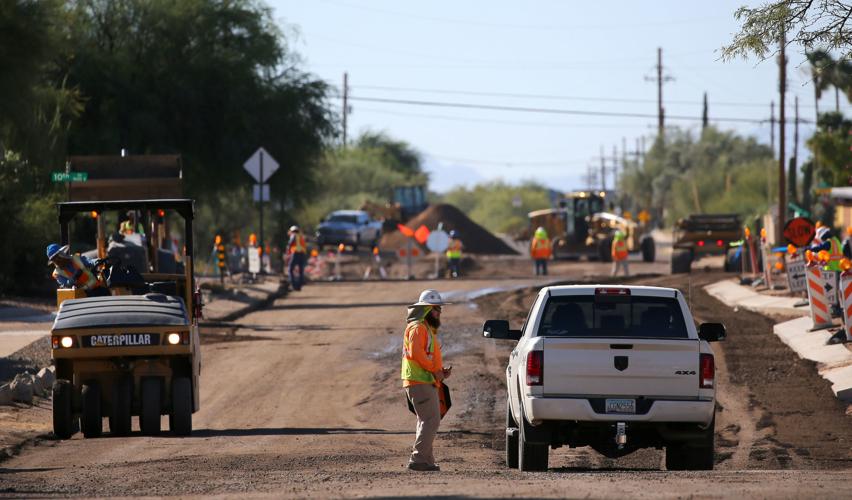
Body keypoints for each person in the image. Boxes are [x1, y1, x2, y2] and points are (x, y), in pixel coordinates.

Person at [401, 289, 452, 472]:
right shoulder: (418, 327)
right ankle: (418, 459)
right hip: (420, 381)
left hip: (424, 380)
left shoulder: (424, 328)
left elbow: (425, 354)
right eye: (436, 309)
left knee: (426, 421)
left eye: (440, 309)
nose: (439, 313)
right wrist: (434, 371)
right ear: (427, 309)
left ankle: (427, 460)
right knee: (431, 420)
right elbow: (417, 354)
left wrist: (439, 372)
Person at [287, 225, 307, 290]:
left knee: (290, 269)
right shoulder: (301, 236)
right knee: (301, 271)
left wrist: (288, 251)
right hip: (302, 254)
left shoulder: (294, 235)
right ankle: (299, 286)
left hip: (295, 253)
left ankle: (293, 285)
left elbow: (290, 243)